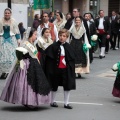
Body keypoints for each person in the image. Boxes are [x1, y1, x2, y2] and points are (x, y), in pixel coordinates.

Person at [0, 28, 51, 108]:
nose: (36, 36)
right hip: (25, 65)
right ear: (30, 35)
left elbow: (35, 54)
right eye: (35, 35)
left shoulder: (32, 44)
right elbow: (19, 54)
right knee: (25, 84)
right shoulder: (25, 44)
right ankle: (27, 101)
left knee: (33, 84)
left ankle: (31, 100)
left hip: (33, 64)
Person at [45, 29, 76, 109]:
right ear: (58, 36)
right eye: (60, 36)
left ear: (67, 37)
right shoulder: (53, 46)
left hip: (65, 69)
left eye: (64, 36)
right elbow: (49, 58)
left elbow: (71, 59)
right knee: (54, 84)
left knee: (67, 85)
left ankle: (66, 103)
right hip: (56, 69)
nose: (62, 37)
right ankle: (52, 101)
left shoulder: (69, 47)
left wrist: (70, 68)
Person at [0, 8, 21, 79]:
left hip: (12, 40)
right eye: (6, 13)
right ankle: (3, 72)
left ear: (10, 14)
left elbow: (17, 31)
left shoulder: (13, 21)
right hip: (2, 40)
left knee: (11, 56)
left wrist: (18, 40)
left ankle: (10, 72)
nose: (7, 14)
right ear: (4, 13)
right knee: (2, 56)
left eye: (8, 13)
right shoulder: (0, 21)